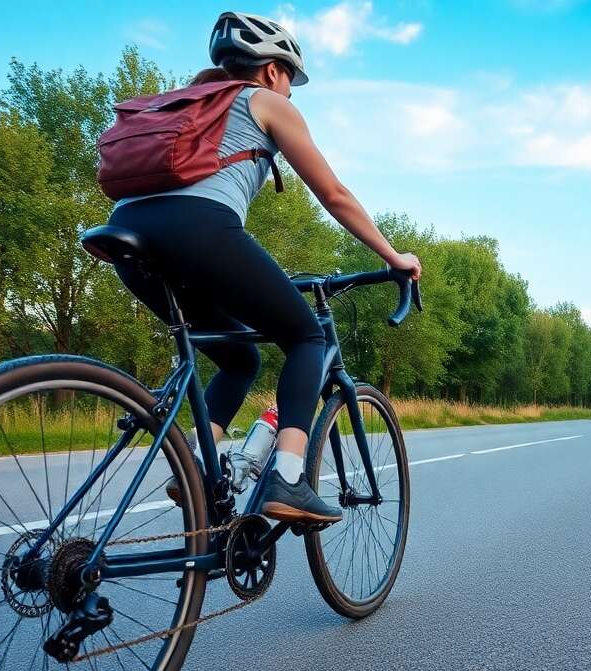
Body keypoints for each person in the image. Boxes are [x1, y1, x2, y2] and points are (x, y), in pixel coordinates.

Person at [108, 12, 421, 523]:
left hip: (127, 234)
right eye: (291, 80)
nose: (291, 94)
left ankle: (191, 468)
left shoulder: (189, 103)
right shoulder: (265, 101)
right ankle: (290, 479)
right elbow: (335, 195)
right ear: (273, 70)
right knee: (305, 337)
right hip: (198, 230)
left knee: (239, 358)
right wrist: (394, 257)